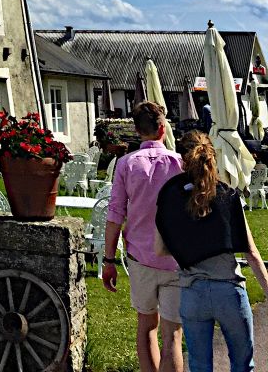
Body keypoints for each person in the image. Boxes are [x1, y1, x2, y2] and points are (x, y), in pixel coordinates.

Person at [155, 130, 268, 372]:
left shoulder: (170, 197)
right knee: (242, 364)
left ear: (183, 161)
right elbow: (251, 252)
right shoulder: (227, 196)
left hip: (192, 292)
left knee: (199, 366)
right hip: (228, 291)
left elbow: (160, 249)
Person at [104, 101, 185, 372]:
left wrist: (108, 259)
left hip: (140, 258)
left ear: (138, 131)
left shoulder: (126, 165)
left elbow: (115, 214)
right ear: (163, 129)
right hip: (175, 257)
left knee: (146, 326)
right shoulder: (180, 163)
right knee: (173, 334)